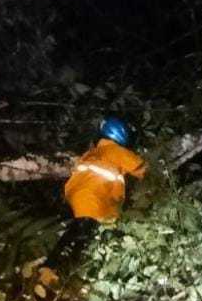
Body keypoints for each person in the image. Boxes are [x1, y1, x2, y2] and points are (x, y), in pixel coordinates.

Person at [43, 117, 146, 277]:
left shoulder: (93, 153)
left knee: (76, 230)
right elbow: (140, 168)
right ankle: (59, 270)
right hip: (91, 198)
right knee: (81, 235)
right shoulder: (116, 151)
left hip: (75, 195)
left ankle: (54, 267)